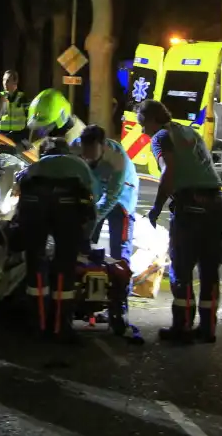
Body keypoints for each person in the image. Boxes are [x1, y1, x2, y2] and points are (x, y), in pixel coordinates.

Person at [138, 99, 222, 343]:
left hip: (191, 204)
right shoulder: (190, 132)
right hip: (217, 203)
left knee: (182, 268)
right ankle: (208, 329)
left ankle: (182, 328)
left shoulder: (162, 138)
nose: (144, 132)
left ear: (154, 120)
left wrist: (156, 209)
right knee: (209, 269)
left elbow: (169, 171)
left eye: (143, 125)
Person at [17, 137, 98, 341]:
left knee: (36, 262)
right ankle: (61, 327)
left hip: (35, 206)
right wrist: (85, 238)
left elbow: (21, 188)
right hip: (67, 209)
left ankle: (38, 324)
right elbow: (91, 199)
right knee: (65, 265)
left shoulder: (37, 166)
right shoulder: (79, 164)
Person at [72, 124, 138, 333]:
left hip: (121, 198)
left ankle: (120, 307)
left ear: (102, 145)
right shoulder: (76, 148)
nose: (88, 156)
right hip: (96, 193)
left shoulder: (117, 159)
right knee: (85, 245)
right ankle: (87, 298)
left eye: (92, 152)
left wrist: (93, 216)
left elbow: (111, 197)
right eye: (85, 151)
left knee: (119, 252)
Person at [0, 70, 29, 144]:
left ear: (15, 82)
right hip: (0, 136)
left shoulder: (22, 97)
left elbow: (28, 118)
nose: (5, 83)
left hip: (17, 136)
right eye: (3, 80)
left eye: (8, 81)